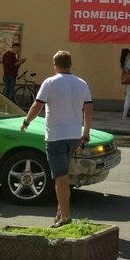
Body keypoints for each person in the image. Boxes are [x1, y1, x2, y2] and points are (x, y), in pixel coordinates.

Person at [20, 50, 92, 228]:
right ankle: (60, 212)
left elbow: (37, 106)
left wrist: (26, 122)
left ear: (55, 65)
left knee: (60, 177)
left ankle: (65, 217)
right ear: (70, 64)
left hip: (56, 137)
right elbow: (89, 110)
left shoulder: (50, 82)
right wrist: (86, 132)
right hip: (74, 136)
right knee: (63, 175)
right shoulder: (82, 83)